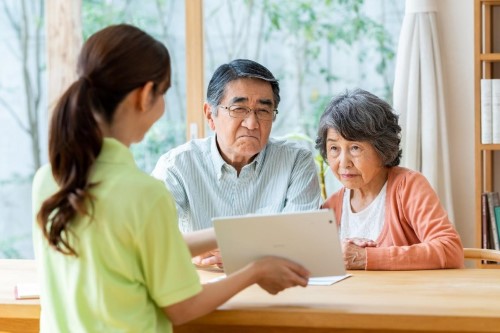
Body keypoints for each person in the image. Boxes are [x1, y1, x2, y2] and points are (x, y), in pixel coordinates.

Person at [32, 24, 310, 333]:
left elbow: (137, 250)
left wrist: (232, 234)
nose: (251, 122)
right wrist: (255, 271)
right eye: (163, 93)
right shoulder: (144, 193)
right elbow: (182, 307)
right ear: (145, 95)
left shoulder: (49, 179)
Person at [151, 59, 322, 267]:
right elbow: (153, 238)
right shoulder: (176, 166)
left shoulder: (296, 161)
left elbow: (299, 239)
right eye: (239, 109)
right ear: (209, 115)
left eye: (263, 111)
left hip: (276, 288)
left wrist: (240, 253)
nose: (251, 124)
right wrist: (189, 252)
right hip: (202, 287)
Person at [315, 88, 464, 270]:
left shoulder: (408, 187)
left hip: (406, 297)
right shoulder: (332, 206)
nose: (343, 162)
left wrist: (366, 257)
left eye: (355, 148)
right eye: (334, 148)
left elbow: (450, 250)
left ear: (382, 148)